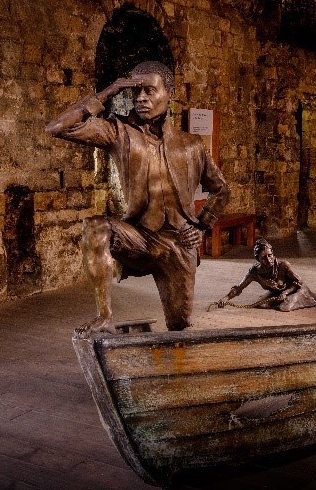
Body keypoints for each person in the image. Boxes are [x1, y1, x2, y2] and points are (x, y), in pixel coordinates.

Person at [45, 61, 229, 332]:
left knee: (180, 327)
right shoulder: (119, 133)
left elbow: (221, 189)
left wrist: (201, 225)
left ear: (170, 92)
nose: (141, 98)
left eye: (149, 91)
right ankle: (105, 316)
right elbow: (58, 127)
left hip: (178, 244)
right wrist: (108, 92)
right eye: (135, 92)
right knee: (96, 228)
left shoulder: (191, 145)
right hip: (138, 236)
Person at [215, 238, 316, 311]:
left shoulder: (283, 265)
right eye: (264, 257)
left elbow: (299, 281)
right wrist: (226, 298)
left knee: (285, 307)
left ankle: (297, 299)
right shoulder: (255, 272)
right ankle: (281, 299)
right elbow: (239, 288)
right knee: (261, 304)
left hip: (296, 289)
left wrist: (286, 292)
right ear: (258, 259)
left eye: (270, 255)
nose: (269, 259)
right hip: (278, 293)